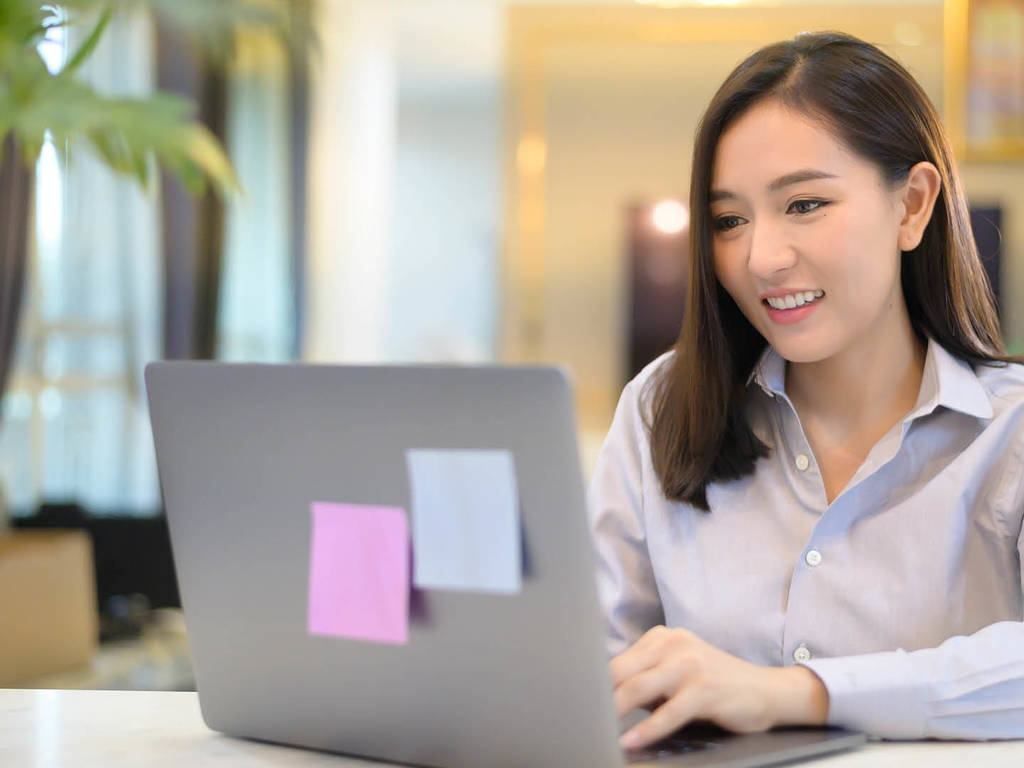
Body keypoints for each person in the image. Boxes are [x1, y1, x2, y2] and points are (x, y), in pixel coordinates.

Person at [587, 30, 1024, 750]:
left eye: (804, 205)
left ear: (912, 206)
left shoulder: (1007, 433)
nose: (761, 258)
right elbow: (591, 665)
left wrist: (799, 695)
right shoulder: (660, 408)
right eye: (729, 220)